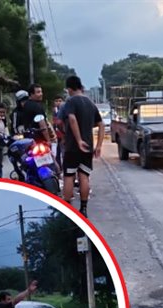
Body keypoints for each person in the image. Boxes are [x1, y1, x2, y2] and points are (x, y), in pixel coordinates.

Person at [61, 75, 103, 217]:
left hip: (73, 146)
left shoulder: (71, 102)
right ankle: (83, 209)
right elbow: (101, 124)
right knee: (84, 176)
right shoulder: (91, 104)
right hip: (88, 146)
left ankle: (67, 209)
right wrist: (98, 146)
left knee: (68, 175)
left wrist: (78, 140)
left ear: (69, 89)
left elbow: (71, 119)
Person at [52, 95, 66, 169]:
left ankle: (65, 167)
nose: (58, 103)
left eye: (60, 101)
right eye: (56, 101)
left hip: (63, 135)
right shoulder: (54, 111)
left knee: (64, 153)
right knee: (56, 153)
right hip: (55, 136)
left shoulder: (65, 110)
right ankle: (59, 168)